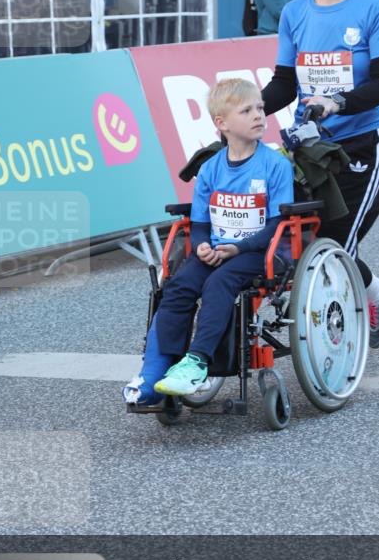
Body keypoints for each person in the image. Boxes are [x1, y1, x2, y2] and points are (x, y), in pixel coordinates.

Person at [261, 0, 379, 348]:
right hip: (312, 148)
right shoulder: (294, 12)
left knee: (334, 241)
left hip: (364, 143)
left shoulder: (373, 8)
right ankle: (376, 292)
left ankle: (340, 319)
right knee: (306, 239)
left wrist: (337, 102)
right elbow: (285, 84)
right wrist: (245, 110)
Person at [122, 78, 294, 404]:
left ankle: (197, 362)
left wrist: (239, 247)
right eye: (247, 110)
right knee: (179, 284)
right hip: (216, 249)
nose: (259, 115)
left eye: (260, 107)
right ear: (222, 123)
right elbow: (199, 223)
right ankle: (155, 369)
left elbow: (277, 225)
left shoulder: (276, 165)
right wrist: (202, 245)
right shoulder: (211, 168)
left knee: (219, 283)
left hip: (258, 251)